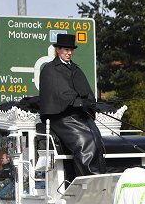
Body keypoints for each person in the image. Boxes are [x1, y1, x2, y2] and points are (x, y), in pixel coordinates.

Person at [38, 33, 106, 176]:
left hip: (79, 114)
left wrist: (89, 104)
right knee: (85, 141)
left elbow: (86, 92)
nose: (69, 53)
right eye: (65, 50)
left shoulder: (76, 69)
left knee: (96, 136)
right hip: (60, 115)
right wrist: (77, 102)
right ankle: (88, 180)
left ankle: (100, 176)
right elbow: (58, 94)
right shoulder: (50, 69)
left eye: (71, 50)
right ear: (58, 50)